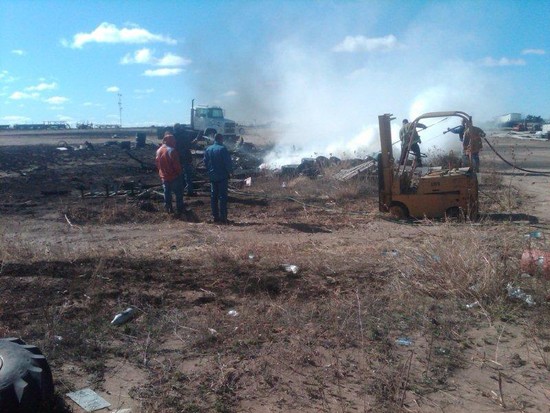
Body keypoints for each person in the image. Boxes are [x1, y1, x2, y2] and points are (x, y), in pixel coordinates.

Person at [204, 133, 233, 223]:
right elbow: (227, 163)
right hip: (222, 176)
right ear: (221, 139)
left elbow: (205, 162)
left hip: (212, 176)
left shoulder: (208, 149)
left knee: (213, 197)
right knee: (222, 197)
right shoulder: (223, 149)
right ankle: (223, 217)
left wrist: (209, 170)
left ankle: (215, 217)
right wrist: (231, 172)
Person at [155, 131, 185, 215]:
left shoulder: (159, 150)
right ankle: (180, 210)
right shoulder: (172, 151)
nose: (175, 142)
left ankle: (168, 209)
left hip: (164, 176)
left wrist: (161, 173)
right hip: (173, 176)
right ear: (171, 141)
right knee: (178, 193)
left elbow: (157, 164)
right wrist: (179, 173)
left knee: (167, 193)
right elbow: (176, 165)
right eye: (173, 141)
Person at [173, 123, 197, 196]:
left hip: (177, 159)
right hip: (186, 158)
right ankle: (189, 191)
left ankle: (180, 190)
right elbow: (189, 145)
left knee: (179, 176)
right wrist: (195, 141)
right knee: (188, 176)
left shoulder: (173, 137)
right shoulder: (184, 136)